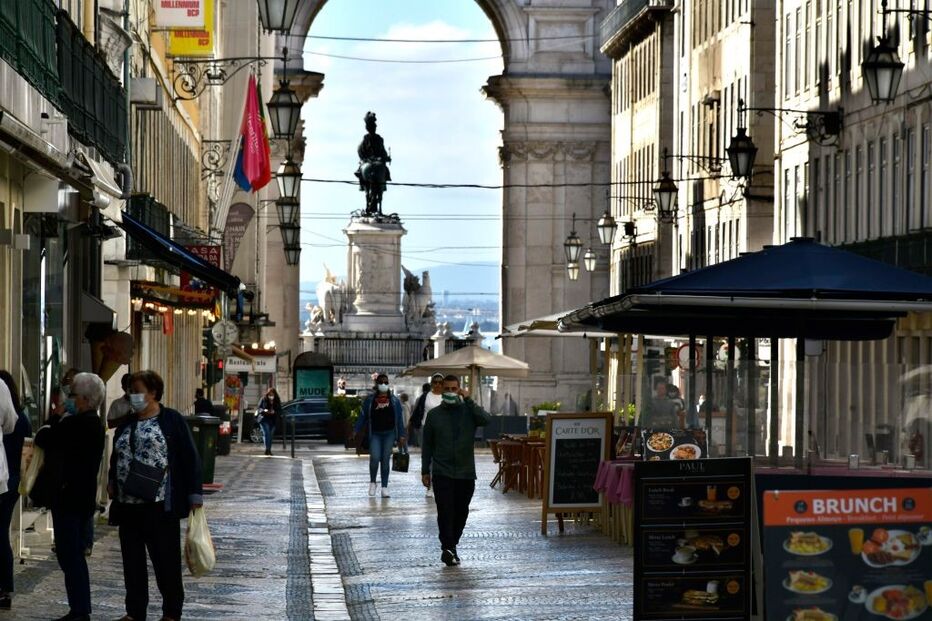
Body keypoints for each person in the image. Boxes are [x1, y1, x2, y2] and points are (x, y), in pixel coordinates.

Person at [109, 370, 202, 621]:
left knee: (165, 562)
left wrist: (194, 495)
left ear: (153, 393)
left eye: (137, 391)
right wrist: (111, 481)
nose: (132, 395)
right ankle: (134, 612)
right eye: (130, 391)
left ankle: (171, 613)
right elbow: (117, 455)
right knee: (132, 563)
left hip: (160, 506)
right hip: (128, 504)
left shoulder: (171, 420)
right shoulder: (127, 422)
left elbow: (189, 457)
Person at [34, 372, 105, 621]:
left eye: (72, 394)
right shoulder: (92, 423)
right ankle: (80, 608)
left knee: (70, 555)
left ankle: (80, 610)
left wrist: (57, 415)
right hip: (81, 497)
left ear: (85, 398)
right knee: (73, 555)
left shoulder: (78, 424)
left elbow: (45, 437)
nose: (69, 399)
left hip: (70, 498)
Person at [421, 375, 491, 566]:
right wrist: (425, 470)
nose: (451, 392)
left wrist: (469, 400)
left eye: (454, 389)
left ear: (459, 390)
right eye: (447, 389)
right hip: (442, 472)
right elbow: (427, 445)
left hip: (465, 472)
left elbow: (486, 419)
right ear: (442, 391)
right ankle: (448, 547)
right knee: (445, 511)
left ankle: (452, 545)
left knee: (461, 512)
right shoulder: (434, 415)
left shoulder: (468, 411)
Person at [0, 371, 30, 611]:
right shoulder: (22, 418)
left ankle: (4, 587)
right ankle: (4, 588)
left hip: (7, 479)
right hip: (9, 479)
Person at [354, 373, 406, 498]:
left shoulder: (394, 401)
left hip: (389, 434)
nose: (383, 384)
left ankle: (384, 487)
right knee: (375, 458)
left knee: (385, 460)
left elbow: (399, 419)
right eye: (381, 382)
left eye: (386, 382)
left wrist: (401, 435)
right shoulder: (370, 400)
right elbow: (362, 416)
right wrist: (355, 430)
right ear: (377, 384)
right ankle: (373, 482)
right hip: (375, 434)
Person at [410, 374, 444, 497]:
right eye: (435, 382)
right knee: (428, 457)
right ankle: (430, 486)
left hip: (442, 430)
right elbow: (416, 412)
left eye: (440, 382)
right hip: (426, 429)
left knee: (438, 458)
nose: (438, 384)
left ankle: (437, 484)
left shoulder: (446, 397)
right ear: (431, 383)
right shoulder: (425, 397)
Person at [257, 388, 282, 456]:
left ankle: (268, 450)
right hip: (264, 419)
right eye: (269, 395)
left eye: (272, 395)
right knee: (267, 433)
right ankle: (267, 450)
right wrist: (266, 411)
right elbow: (259, 408)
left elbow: (279, 410)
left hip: (273, 420)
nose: (271, 396)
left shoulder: (277, 400)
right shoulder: (263, 399)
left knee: (270, 435)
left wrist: (274, 412)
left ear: (275, 395)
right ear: (267, 394)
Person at [407, 383, 431, 448]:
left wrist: (411, 420)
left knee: (423, 443)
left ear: (423, 389)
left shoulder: (421, 398)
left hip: (422, 422)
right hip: (431, 423)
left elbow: (416, 410)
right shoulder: (432, 398)